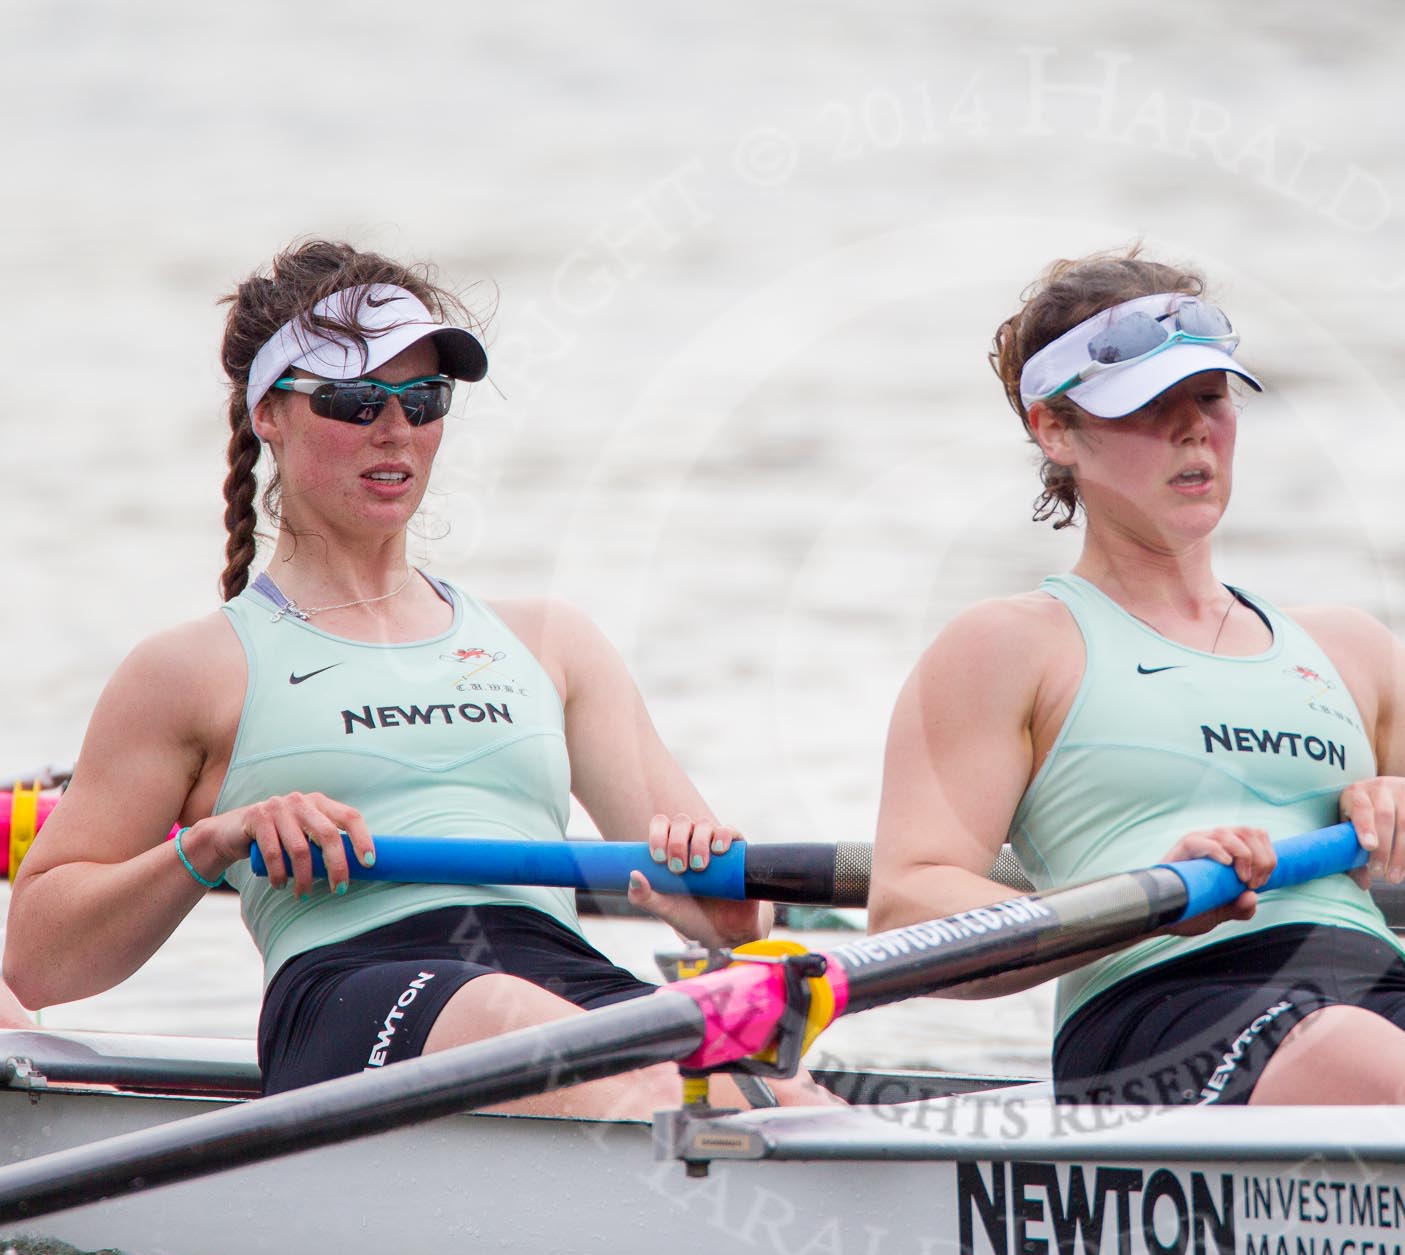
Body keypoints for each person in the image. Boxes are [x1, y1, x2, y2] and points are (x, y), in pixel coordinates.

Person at [2, 239, 827, 1114]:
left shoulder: (551, 642)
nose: (395, 429)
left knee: (787, 1095)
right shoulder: (191, 670)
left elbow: (709, 895)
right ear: (268, 415)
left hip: (569, 978)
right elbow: (40, 956)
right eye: (356, 401)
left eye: (422, 399)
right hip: (353, 987)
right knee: (553, 1032)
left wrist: (733, 916)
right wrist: (211, 845)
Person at [870, 247, 1405, 1110]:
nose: (1194, 429)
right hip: (1158, 1009)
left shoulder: (1346, 648)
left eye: (1210, 397)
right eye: (1149, 406)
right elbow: (906, 909)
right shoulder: (1012, 645)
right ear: (1055, 430)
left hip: (1377, 991)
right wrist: (1143, 901)